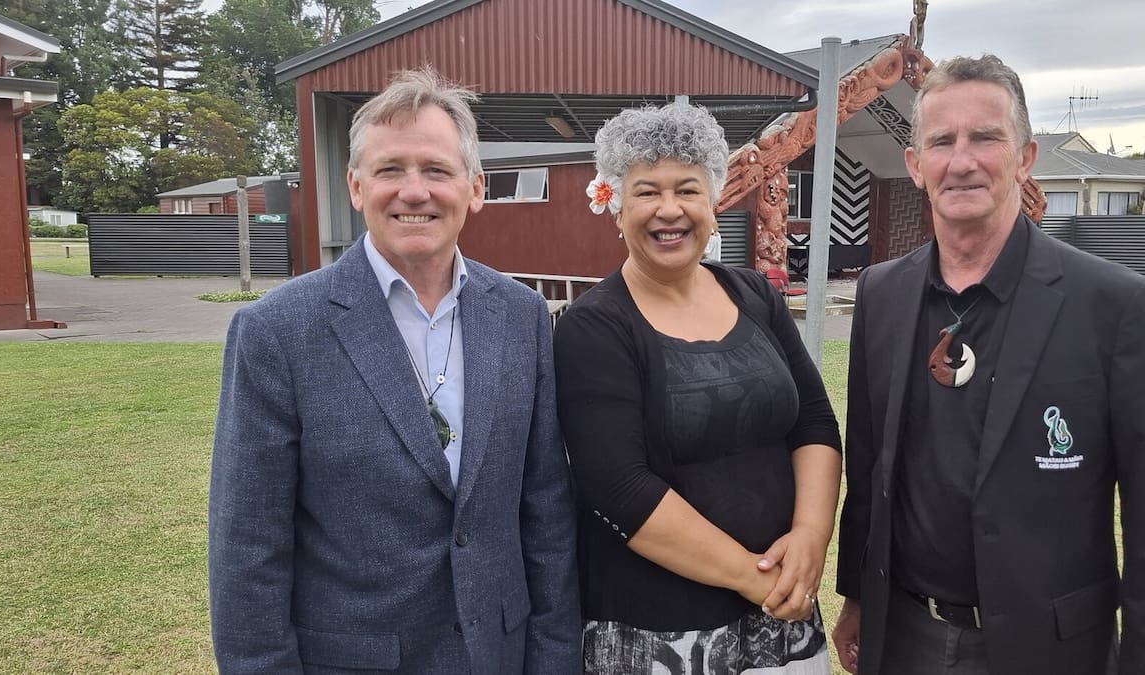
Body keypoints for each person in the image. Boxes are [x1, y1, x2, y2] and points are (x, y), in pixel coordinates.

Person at [208, 68, 582, 673]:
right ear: (356, 187)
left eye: (436, 170)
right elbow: (247, 546)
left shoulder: (521, 316)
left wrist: (555, 657)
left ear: (475, 189)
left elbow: (545, 510)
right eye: (390, 170)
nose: (414, 191)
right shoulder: (278, 331)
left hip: (499, 653)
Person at [832, 54, 1145, 675]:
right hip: (906, 638)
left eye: (986, 137)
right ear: (916, 166)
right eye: (942, 141)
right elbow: (868, 468)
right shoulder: (881, 294)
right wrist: (857, 597)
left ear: (1025, 158)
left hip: (1049, 647)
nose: (963, 160)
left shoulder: (1113, 304)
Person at [554, 102, 843, 673]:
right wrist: (754, 578)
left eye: (687, 189)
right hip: (660, 633)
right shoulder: (595, 326)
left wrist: (810, 539)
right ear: (615, 206)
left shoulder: (755, 295)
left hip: (782, 618)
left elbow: (813, 421)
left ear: (713, 204)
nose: (669, 210)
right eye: (646, 191)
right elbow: (618, 487)